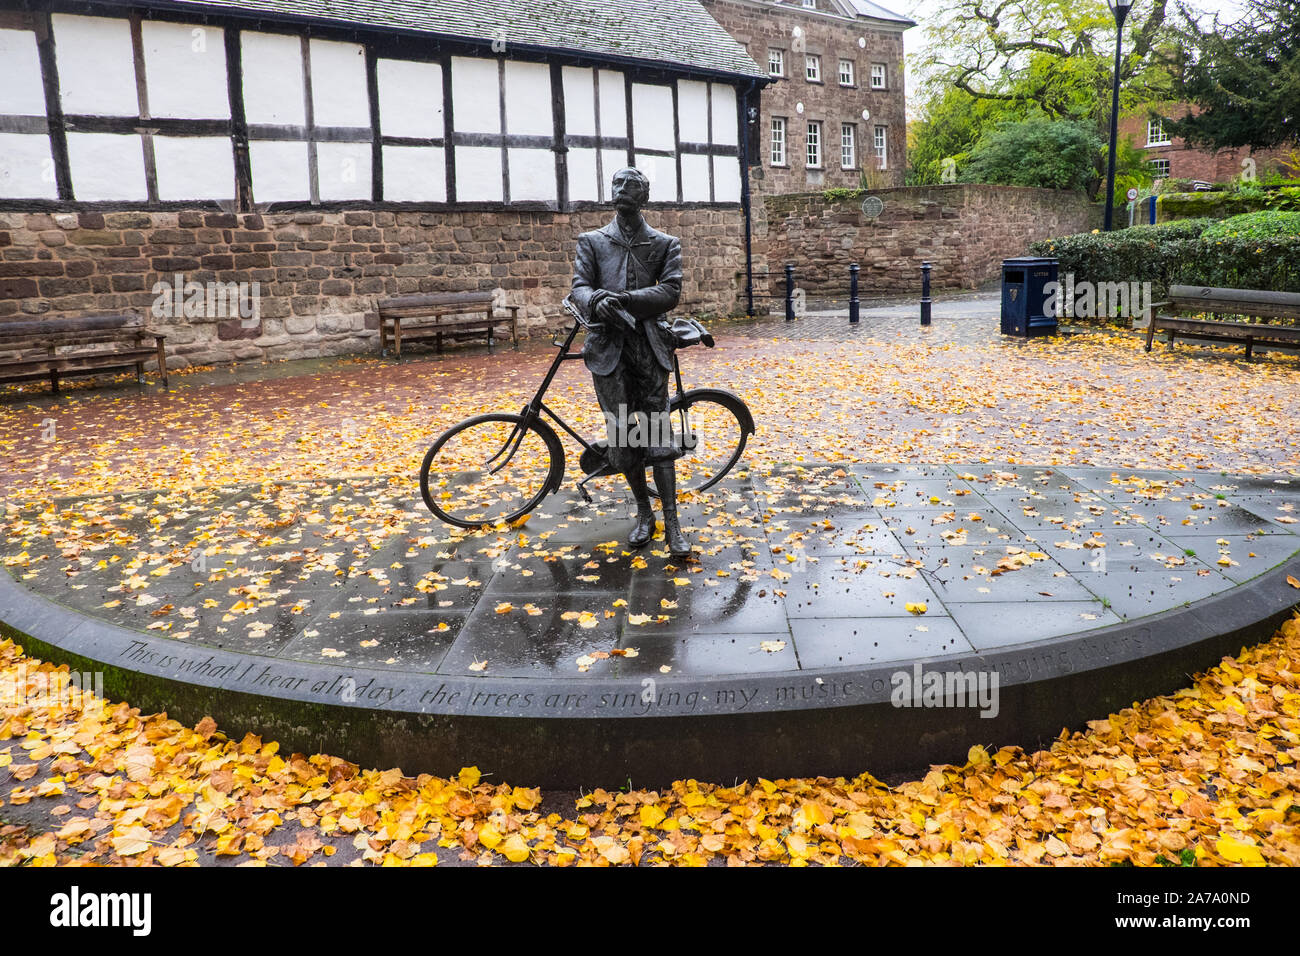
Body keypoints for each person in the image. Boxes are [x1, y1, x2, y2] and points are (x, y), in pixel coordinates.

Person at [569, 167, 691, 558]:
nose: (622, 190)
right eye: (618, 185)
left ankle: (672, 523)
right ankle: (644, 512)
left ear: (644, 197)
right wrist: (595, 300)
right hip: (608, 351)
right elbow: (579, 287)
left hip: (648, 347)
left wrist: (624, 299)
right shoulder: (591, 241)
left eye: (632, 186)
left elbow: (670, 291)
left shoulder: (664, 243)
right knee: (622, 437)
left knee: (657, 435)